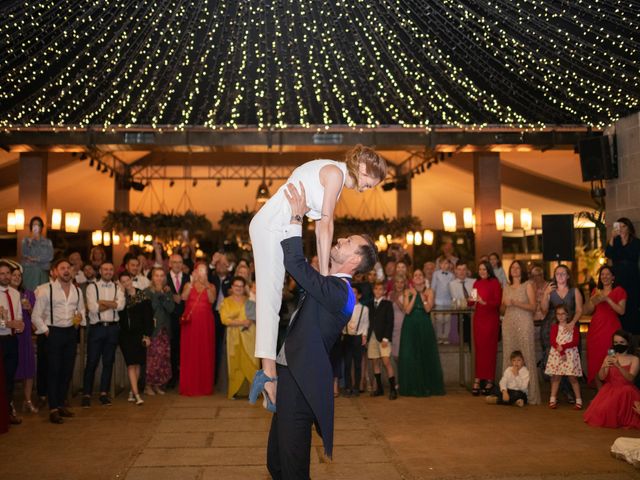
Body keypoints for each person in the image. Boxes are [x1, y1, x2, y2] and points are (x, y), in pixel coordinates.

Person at [250, 146, 387, 410]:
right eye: (371, 183)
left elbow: (321, 227)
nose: (368, 189)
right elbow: (325, 226)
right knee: (268, 299)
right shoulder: (335, 173)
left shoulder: (334, 175)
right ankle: (267, 376)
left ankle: (267, 375)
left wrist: (324, 277)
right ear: (363, 169)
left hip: (280, 227)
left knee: (272, 300)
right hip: (272, 226)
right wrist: (325, 275)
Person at [265, 182, 378, 478]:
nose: (339, 239)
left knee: (291, 468)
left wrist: (295, 218)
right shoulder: (332, 286)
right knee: (276, 461)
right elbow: (314, 261)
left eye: (347, 242)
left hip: (302, 382)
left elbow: (295, 263)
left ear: (355, 260)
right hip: (292, 374)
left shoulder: (341, 292)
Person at [31, 258, 86, 424]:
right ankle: (53, 408)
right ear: (55, 271)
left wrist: (78, 321)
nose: (66, 271)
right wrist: (47, 331)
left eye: (68, 268)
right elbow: (35, 316)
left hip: (70, 333)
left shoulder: (77, 291)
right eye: (62, 268)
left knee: (67, 371)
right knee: (53, 371)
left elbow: (81, 309)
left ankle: (61, 404)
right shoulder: (46, 290)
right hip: (53, 332)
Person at [81, 262, 125, 407]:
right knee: (92, 362)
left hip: (113, 329)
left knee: (108, 362)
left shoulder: (118, 287)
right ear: (100, 271)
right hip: (96, 329)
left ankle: (104, 394)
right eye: (105, 269)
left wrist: (103, 303)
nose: (108, 272)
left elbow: (121, 306)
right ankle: (86, 394)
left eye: (111, 269)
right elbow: (93, 308)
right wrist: (112, 303)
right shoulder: (92, 287)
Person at [540, 264, 583, 403]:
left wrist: (572, 323)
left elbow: (579, 310)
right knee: (555, 359)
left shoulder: (574, 291)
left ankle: (570, 392)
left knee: (570, 359)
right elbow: (544, 309)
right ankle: (555, 394)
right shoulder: (550, 291)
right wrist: (545, 294)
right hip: (552, 328)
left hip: (570, 327)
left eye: (563, 273)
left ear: (568, 276)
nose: (560, 276)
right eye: (557, 273)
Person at [399, 269, 445, 397]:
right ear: (412, 279)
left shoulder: (430, 291)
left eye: (420, 275)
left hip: (424, 324)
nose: (418, 277)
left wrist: (423, 298)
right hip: (410, 324)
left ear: (424, 278)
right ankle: (411, 387)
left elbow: (428, 309)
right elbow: (407, 311)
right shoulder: (407, 291)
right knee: (410, 355)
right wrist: (414, 296)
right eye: (415, 275)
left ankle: (428, 385)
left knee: (425, 353)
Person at [501, 260, 540, 405]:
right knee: (509, 355)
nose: (515, 270)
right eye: (513, 268)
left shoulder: (528, 284)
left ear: (522, 270)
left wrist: (516, 303)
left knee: (526, 355)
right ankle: (508, 393)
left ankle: (529, 394)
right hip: (508, 323)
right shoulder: (506, 286)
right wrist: (504, 304)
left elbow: (533, 306)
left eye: (518, 267)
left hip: (524, 322)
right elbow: (502, 308)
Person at [584, 330, 640, 428]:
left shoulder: (634, 359)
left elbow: (630, 378)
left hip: (626, 390)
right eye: (616, 343)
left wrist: (618, 366)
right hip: (610, 389)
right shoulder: (609, 357)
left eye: (622, 342)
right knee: (600, 412)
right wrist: (604, 366)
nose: (618, 345)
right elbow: (602, 377)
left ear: (628, 343)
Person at [584, 265, 626, 388]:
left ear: (613, 277)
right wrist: (591, 300)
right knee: (595, 360)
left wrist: (607, 299)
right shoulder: (596, 291)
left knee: (610, 358)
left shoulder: (619, 291)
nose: (605, 276)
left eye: (608, 274)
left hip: (612, 330)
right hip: (595, 330)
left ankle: (612, 392)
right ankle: (600, 394)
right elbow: (587, 310)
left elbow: (621, 311)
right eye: (602, 274)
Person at [219, 276, 260, 399]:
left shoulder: (250, 300)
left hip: (249, 336)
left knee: (251, 362)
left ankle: (253, 392)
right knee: (235, 363)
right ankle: (235, 391)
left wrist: (241, 320)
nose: (238, 288)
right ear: (232, 287)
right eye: (236, 286)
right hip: (234, 337)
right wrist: (242, 322)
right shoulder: (226, 301)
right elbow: (224, 319)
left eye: (241, 286)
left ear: (244, 288)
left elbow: (256, 316)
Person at [180, 263, 216, 396]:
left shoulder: (211, 286)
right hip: (191, 324)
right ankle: (190, 385)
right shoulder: (188, 285)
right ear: (195, 271)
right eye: (199, 271)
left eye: (204, 271)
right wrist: (191, 283)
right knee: (190, 352)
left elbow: (212, 300)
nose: (201, 274)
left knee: (205, 351)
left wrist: (206, 285)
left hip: (206, 323)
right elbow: (183, 297)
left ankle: (204, 386)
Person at [118, 272, 153, 406]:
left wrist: (147, 335)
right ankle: (137, 394)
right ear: (120, 283)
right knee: (131, 364)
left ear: (132, 279)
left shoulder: (142, 296)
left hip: (140, 335)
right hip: (125, 336)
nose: (126, 283)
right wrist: (120, 295)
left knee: (138, 364)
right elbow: (119, 315)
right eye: (123, 281)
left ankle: (133, 391)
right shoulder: (121, 298)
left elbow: (148, 318)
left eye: (128, 280)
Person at [470, 260, 502, 396]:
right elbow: (471, 301)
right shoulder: (476, 283)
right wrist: (470, 299)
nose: (482, 271)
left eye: (484, 269)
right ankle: (478, 378)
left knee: (489, 350)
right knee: (479, 349)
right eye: (480, 269)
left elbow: (497, 302)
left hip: (490, 319)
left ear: (489, 270)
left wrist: (484, 302)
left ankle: (489, 380)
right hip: (479, 319)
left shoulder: (494, 282)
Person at [10, 267, 38, 414]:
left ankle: (27, 401)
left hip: (25, 336)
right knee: (11, 370)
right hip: (11, 335)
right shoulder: (5, 294)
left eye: (19, 275)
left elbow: (35, 320)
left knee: (28, 369)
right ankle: (10, 403)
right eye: (13, 275)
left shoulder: (28, 294)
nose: (16, 277)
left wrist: (29, 309)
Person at [0, 261, 25, 425]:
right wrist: (5, 324)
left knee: (9, 378)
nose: (6, 276)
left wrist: (20, 324)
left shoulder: (15, 294)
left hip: (11, 340)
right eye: (2, 273)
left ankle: (7, 412)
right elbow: (4, 322)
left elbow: (18, 316)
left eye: (8, 273)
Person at [545, 304, 584, 409]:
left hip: (570, 355)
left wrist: (564, 347)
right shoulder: (554, 327)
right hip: (557, 354)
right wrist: (561, 352)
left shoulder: (573, 327)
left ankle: (578, 400)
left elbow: (575, 341)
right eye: (558, 314)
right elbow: (553, 341)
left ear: (567, 315)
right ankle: (552, 399)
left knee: (573, 378)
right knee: (556, 377)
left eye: (563, 314)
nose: (560, 316)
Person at [605, 218, 640, 334]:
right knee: (619, 303)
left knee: (631, 304)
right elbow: (608, 254)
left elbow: (632, 255)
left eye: (623, 226)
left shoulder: (635, 242)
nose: (621, 229)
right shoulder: (616, 242)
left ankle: (633, 334)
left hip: (632, 277)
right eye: (619, 226)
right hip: (618, 277)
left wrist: (624, 240)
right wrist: (612, 237)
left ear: (629, 228)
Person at [145, 268, 174, 396]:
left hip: (164, 331)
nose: (159, 278)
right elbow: (153, 307)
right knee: (152, 359)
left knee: (162, 359)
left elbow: (171, 308)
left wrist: (163, 294)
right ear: (152, 277)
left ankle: (157, 385)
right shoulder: (147, 292)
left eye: (162, 276)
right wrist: (158, 293)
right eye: (156, 275)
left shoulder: (167, 291)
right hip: (153, 330)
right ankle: (147, 386)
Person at [368, 281, 397, 399]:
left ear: (384, 291)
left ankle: (393, 389)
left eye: (381, 289)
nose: (378, 291)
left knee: (386, 361)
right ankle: (379, 388)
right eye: (376, 289)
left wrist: (386, 338)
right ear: (373, 290)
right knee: (375, 362)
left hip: (383, 338)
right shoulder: (369, 304)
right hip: (372, 336)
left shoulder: (387, 304)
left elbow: (390, 322)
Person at [342, 286, 369, 397]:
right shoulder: (344, 307)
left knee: (357, 364)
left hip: (357, 338)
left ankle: (357, 387)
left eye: (355, 293)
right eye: (350, 292)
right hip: (347, 337)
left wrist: (364, 335)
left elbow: (365, 323)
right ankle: (348, 387)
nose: (352, 295)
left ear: (359, 295)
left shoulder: (364, 309)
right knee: (347, 364)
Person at [166, 254, 188, 389]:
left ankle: (184, 376)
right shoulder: (164, 278)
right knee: (172, 348)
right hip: (169, 318)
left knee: (184, 347)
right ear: (169, 263)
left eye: (180, 262)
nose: (177, 265)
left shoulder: (187, 277)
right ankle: (172, 377)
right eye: (174, 262)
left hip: (185, 318)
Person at [20, 216, 53, 290]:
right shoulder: (26, 241)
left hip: (43, 271)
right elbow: (25, 254)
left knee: (42, 294)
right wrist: (31, 241)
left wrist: (35, 259)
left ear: (41, 227)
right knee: (30, 295)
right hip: (29, 271)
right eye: (34, 225)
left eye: (38, 225)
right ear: (31, 227)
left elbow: (50, 257)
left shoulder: (47, 242)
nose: (36, 227)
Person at [431, 258, 454, 344]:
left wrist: (453, 299)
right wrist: (432, 299)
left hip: (448, 300)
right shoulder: (436, 274)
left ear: (449, 265)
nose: (444, 265)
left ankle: (446, 337)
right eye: (442, 263)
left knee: (447, 319)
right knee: (439, 319)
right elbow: (433, 287)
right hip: (438, 300)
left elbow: (453, 288)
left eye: (446, 263)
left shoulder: (451, 275)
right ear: (440, 265)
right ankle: (439, 336)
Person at [388, 274, 406, 381]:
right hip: (392, 326)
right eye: (397, 282)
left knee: (400, 355)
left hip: (403, 325)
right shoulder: (390, 294)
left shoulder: (406, 294)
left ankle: (402, 380)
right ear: (394, 284)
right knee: (394, 356)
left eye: (401, 282)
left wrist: (397, 300)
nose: (399, 284)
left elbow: (405, 310)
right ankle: (398, 380)